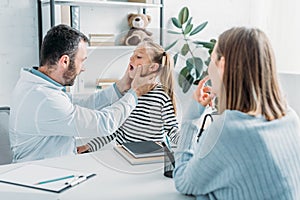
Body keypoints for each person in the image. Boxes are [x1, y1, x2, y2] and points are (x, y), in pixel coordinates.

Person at [173, 27, 300, 199]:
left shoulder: (227, 131)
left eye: (211, 60)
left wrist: (191, 118)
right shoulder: (290, 118)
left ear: (222, 65)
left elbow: (183, 181)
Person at [9, 24, 157, 163]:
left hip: (53, 168)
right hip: (42, 178)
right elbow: (104, 124)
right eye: (82, 61)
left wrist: (122, 85)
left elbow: (82, 104)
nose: (83, 68)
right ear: (65, 61)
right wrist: (135, 93)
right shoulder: (44, 98)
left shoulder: (38, 86)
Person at [77, 41, 179, 153]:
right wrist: (89, 146)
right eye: (133, 54)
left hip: (150, 157)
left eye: (138, 56)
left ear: (153, 67)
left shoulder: (161, 97)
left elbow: (173, 130)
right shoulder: (127, 94)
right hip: (124, 154)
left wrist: (192, 145)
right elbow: (114, 129)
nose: (131, 58)